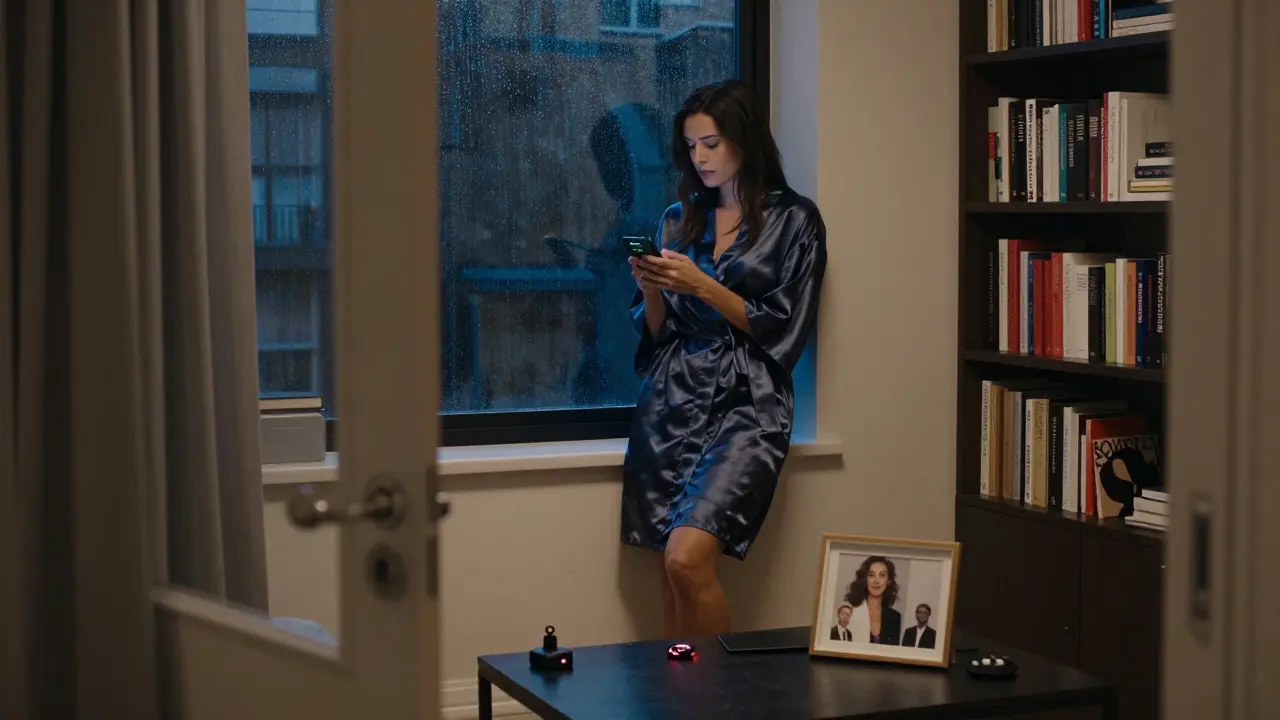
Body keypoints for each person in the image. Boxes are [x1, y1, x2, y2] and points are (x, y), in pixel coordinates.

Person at [620, 79, 828, 638]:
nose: (701, 157)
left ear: (744, 138)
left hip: (747, 404)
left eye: (711, 142)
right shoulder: (677, 217)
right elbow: (659, 335)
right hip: (671, 400)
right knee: (669, 570)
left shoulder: (796, 222)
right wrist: (654, 290)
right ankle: (679, 698)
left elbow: (785, 326)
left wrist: (702, 285)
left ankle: (716, 700)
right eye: (691, 147)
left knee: (688, 559)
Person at [843, 556, 902, 645]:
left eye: (882, 575)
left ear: (888, 581)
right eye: (871, 575)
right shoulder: (851, 611)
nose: (876, 581)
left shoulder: (895, 617)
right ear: (865, 580)